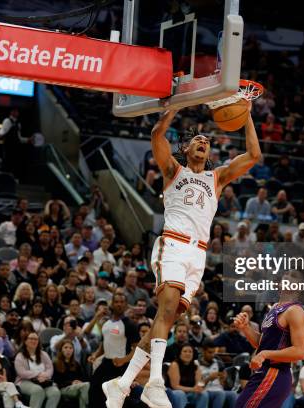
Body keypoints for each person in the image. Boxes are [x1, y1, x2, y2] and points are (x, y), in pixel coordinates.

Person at [103, 103, 261, 407]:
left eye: (208, 141)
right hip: (173, 245)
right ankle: (155, 382)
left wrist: (247, 114)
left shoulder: (217, 178)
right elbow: (156, 133)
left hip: (198, 255)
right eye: (197, 140)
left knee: (166, 320)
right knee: (166, 310)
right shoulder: (173, 170)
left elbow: (254, 156)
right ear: (186, 148)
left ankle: (121, 384)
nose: (203, 142)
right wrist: (173, 108)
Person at [232, 274, 304, 408]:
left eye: (292, 277)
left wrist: (265, 354)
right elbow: (261, 343)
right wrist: (246, 328)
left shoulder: (295, 310)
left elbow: (300, 352)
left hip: (275, 374)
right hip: (264, 372)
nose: (287, 278)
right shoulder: (274, 308)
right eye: (286, 276)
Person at [14, 331, 61, 408]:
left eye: (36, 339)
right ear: (25, 341)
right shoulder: (20, 356)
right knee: (38, 391)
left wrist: (45, 376)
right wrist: (38, 374)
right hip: (25, 381)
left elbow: (50, 368)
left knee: (55, 392)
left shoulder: (44, 354)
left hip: (43, 381)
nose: (34, 341)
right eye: (31, 339)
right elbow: (21, 372)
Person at [198, 338, 238, 408]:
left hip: (218, 389)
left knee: (233, 394)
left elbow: (225, 384)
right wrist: (209, 378)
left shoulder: (219, 363)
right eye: (210, 352)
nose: (212, 355)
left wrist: (224, 379)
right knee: (220, 393)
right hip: (205, 391)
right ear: (203, 351)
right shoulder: (197, 364)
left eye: (214, 352)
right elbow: (198, 385)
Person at [167, 343, 209, 408]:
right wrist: (193, 389)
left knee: (203, 394)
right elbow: (175, 386)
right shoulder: (175, 365)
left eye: (190, 352)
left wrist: (199, 388)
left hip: (190, 393)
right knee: (180, 393)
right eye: (185, 351)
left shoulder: (196, 366)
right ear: (180, 353)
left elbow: (198, 385)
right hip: (174, 393)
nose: (188, 353)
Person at [53, 338, 90, 408]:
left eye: (70, 348)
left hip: (78, 387)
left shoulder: (76, 364)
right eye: (65, 347)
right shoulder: (56, 363)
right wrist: (71, 383)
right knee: (86, 387)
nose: (68, 350)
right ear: (61, 350)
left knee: (85, 388)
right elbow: (56, 382)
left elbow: (84, 377)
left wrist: (80, 381)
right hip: (64, 389)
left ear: (73, 350)